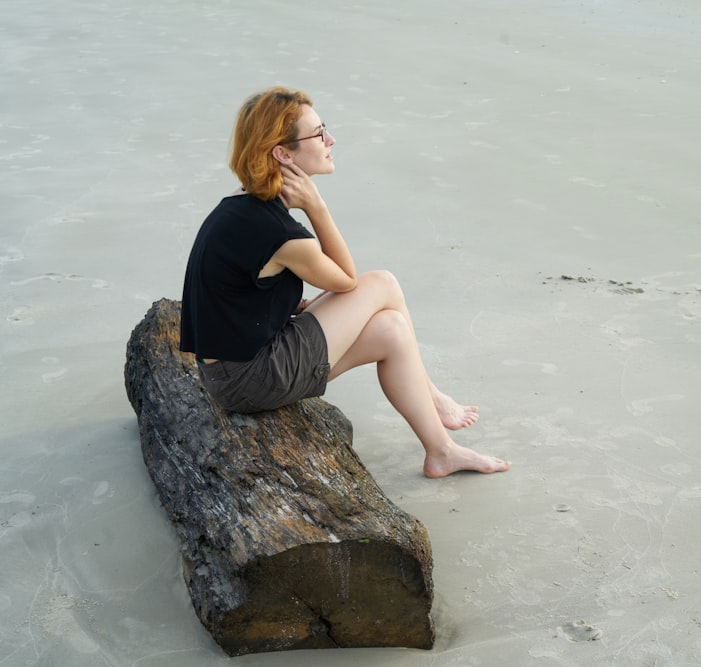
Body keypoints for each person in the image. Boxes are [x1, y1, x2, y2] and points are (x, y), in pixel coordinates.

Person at [180, 86, 510, 478]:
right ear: (283, 154)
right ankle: (434, 399)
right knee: (382, 283)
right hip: (250, 379)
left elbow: (249, 299)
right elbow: (347, 280)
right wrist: (318, 207)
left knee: (391, 330)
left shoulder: (242, 204)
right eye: (319, 134)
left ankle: (441, 451)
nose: (330, 139)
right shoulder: (279, 234)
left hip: (231, 372)